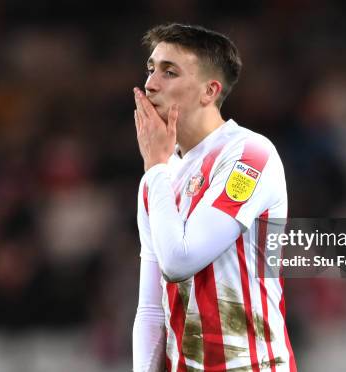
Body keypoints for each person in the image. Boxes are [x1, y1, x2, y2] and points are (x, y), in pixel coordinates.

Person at [132, 23, 297, 372]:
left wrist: (155, 169)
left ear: (209, 91)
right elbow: (150, 308)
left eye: (169, 72)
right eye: (151, 69)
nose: (150, 84)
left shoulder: (249, 154)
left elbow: (180, 260)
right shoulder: (157, 178)